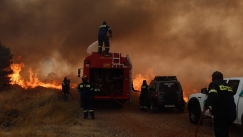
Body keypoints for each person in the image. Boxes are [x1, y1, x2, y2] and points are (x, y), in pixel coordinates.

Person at [204, 71, 236, 137]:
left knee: (219, 132)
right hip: (231, 113)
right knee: (224, 131)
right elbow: (224, 99)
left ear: (213, 78)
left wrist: (206, 104)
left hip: (221, 115)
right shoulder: (227, 85)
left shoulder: (214, 84)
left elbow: (212, 96)